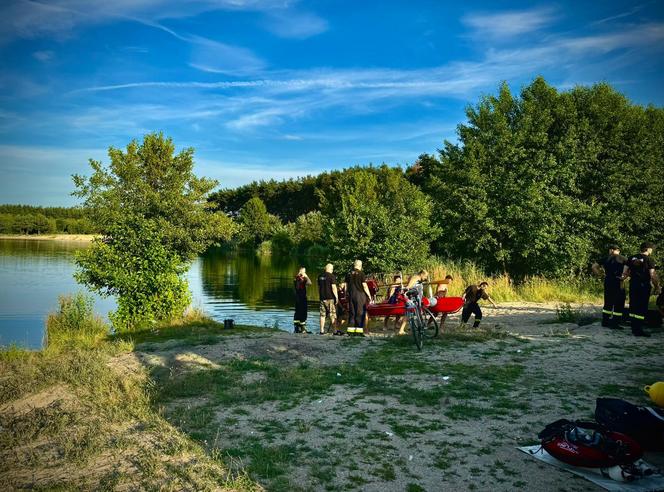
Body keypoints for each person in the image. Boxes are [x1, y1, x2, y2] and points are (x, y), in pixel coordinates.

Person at [623, 242, 659, 337]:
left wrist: (624, 279)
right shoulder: (649, 260)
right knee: (641, 307)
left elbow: (625, 272)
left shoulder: (631, 258)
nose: (652, 250)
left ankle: (634, 327)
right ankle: (638, 330)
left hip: (633, 284)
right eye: (651, 249)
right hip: (644, 285)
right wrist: (657, 286)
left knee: (633, 305)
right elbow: (652, 275)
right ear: (647, 249)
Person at [592, 245, 627, 329]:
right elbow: (630, 268)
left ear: (611, 250)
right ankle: (615, 323)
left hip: (608, 281)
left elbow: (594, 266)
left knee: (608, 301)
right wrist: (624, 276)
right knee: (619, 302)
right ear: (618, 251)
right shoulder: (623, 258)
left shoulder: (605, 258)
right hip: (619, 281)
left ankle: (605, 322)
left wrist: (599, 274)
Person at [341, 259, 373, 335]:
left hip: (351, 295)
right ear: (360, 266)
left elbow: (346, 286)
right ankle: (358, 332)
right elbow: (364, 286)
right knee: (360, 313)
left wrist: (346, 294)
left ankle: (350, 331)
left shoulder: (348, 274)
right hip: (360, 295)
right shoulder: (361, 274)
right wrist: (369, 295)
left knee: (352, 313)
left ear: (354, 265)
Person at [317, 263, 339, 335]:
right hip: (330, 298)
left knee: (322, 315)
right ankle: (335, 331)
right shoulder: (331, 276)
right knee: (332, 314)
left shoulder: (320, 276)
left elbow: (319, 287)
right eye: (332, 269)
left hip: (322, 298)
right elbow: (333, 288)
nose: (332, 270)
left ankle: (321, 331)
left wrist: (320, 295)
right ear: (330, 269)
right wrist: (336, 297)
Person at [293, 267, 311, 333]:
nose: (305, 273)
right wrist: (306, 276)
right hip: (301, 298)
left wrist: (304, 276)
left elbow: (309, 283)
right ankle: (302, 329)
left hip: (298, 298)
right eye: (304, 272)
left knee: (298, 311)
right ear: (301, 272)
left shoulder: (297, 278)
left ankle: (297, 328)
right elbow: (309, 283)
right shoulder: (300, 278)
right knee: (303, 312)